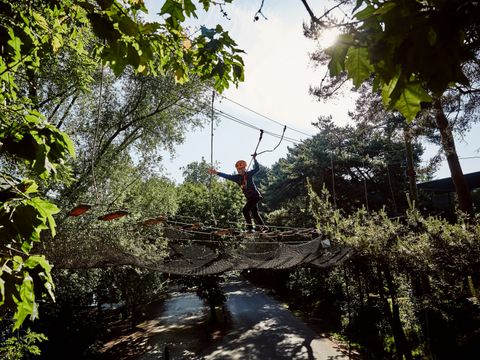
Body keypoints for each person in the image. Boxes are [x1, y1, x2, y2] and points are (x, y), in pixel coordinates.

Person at [208, 155, 268, 232]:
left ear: (245, 168)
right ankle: (264, 227)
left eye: (242, 169)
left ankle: (250, 228)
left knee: (245, 210)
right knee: (255, 213)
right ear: (237, 170)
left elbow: (257, 168)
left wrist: (255, 159)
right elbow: (227, 176)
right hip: (250, 198)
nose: (240, 170)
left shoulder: (249, 174)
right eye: (239, 169)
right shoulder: (237, 178)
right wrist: (216, 172)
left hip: (255, 196)